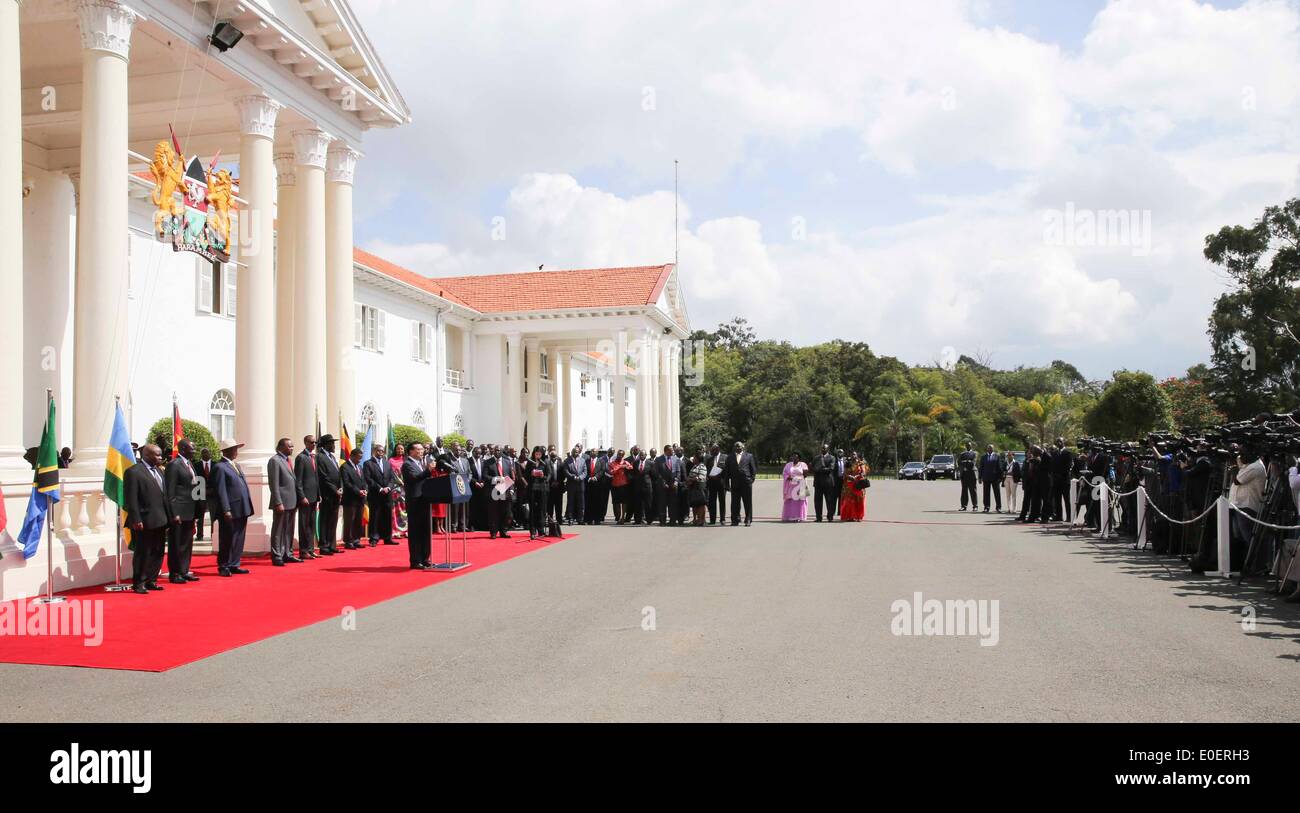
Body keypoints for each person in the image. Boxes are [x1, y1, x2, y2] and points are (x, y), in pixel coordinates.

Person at [123, 443, 169, 594]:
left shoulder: (160, 471)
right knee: (144, 552)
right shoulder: (133, 472)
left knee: (158, 551)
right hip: (143, 521)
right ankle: (139, 583)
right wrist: (136, 519)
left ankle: (151, 580)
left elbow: (164, 496)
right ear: (147, 455)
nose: (161, 457)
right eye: (158, 455)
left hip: (160, 519)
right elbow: (131, 499)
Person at [211, 438, 252, 577]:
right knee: (227, 538)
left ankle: (234, 563)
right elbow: (221, 490)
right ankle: (224, 565)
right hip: (230, 509)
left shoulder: (236, 465)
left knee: (239, 538)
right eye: (234, 449)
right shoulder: (220, 467)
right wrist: (226, 509)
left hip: (241, 507)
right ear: (227, 451)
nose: (236, 452)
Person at [162, 438, 200, 584]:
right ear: (183, 449)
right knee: (176, 544)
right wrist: (174, 513)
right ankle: (175, 573)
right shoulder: (174, 465)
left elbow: (195, 487)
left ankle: (184, 571)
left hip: (190, 510)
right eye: (192, 448)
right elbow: (170, 492)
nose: (194, 451)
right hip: (178, 512)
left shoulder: (189, 464)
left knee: (187, 543)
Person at [267, 437, 301, 566]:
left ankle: (288, 553)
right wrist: (278, 502)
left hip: (292, 501)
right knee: (278, 530)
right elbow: (274, 484)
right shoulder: (275, 461)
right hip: (281, 502)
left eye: (292, 446)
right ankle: (277, 555)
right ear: (281, 447)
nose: (292, 448)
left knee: (289, 530)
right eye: (289, 446)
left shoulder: (287, 460)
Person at [402, 442, 434, 569]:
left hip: (424, 500)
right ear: (411, 451)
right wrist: (428, 470)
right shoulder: (407, 465)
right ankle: (415, 560)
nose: (422, 451)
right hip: (415, 502)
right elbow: (414, 478)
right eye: (419, 449)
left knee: (425, 531)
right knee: (416, 532)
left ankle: (425, 558)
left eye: (422, 449)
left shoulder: (421, 463)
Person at [364, 444, 398, 545]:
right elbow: (368, 479)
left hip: (387, 494)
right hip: (375, 494)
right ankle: (374, 538)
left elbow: (392, 478)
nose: (381, 453)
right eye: (379, 451)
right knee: (375, 516)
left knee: (387, 516)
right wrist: (380, 488)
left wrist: (388, 487)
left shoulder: (387, 463)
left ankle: (387, 538)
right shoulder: (368, 463)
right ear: (374, 451)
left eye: (383, 451)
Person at [316, 434, 343, 556]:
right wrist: (334, 489)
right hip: (327, 494)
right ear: (326, 444)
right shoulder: (320, 457)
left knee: (333, 520)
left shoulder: (332, 457)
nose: (334, 445)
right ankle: (324, 546)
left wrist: (341, 488)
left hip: (336, 494)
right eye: (331, 443)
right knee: (325, 520)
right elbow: (324, 477)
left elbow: (338, 474)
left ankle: (332, 545)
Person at [294, 434, 321, 557]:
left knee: (311, 524)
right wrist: (302, 496)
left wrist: (318, 494)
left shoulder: (313, 457)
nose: (314, 445)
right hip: (305, 497)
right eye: (311, 442)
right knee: (304, 524)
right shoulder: (301, 457)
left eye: (315, 442)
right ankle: (304, 551)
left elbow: (316, 478)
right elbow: (298, 480)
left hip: (314, 496)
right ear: (305, 442)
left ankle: (310, 549)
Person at [522, 446, 553, 540]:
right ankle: (532, 531)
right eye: (536, 454)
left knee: (541, 510)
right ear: (534, 454)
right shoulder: (530, 462)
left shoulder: (545, 462)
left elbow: (549, 474)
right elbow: (525, 475)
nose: (538, 455)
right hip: (532, 488)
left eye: (540, 454)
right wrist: (531, 473)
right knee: (532, 511)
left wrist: (544, 477)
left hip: (542, 488)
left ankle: (541, 530)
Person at [341, 447, 368, 549]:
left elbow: (364, 481)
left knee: (358, 520)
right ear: (352, 456)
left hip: (360, 499)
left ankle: (356, 540)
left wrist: (365, 489)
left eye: (361, 458)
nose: (359, 460)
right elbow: (347, 483)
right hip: (350, 499)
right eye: (358, 457)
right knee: (349, 520)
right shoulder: (345, 467)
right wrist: (358, 491)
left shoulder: (359, 467)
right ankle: (348, 541)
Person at [485, 446, 513, 539]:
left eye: (499, 450)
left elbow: (510, 476)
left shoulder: (507, 462)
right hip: (493, 490)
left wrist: (512, 488)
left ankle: (503, 531)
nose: (497, 452)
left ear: (502, 452)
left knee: (505, 512)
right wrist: (496, 479)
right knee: (493, 512)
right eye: (495, 450)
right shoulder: (488, 462)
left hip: (505, 489)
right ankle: (493, 532)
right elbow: (485, 476)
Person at [727, 441, 757, 526]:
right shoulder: (730, 457)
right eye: (736, 447)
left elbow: (753, 469)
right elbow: (727, 471)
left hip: (746, 483)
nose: (738, 448)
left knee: (747, 502)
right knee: (735, 503)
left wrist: (751, 479)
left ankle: (748, 519)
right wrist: (726, 483)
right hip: (735, 483)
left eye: (739, 446)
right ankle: (735, 520)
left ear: (743, 447)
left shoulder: (749, 456)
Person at [653, 444, 682, 526]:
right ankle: (663, 521)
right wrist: (663, 482)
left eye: (673, 450)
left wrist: (676, 482)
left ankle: (673, 521)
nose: (673, 451)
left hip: (673, 485)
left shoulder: (676, 459)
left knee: (673, 503)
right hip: (663, 485)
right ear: (666, 451)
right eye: (671, 450)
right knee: (662, 503)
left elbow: (678, 472)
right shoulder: (659, 460)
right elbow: (656, 473)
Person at [811, 444, 837, 521]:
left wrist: (819, 469)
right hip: (818, 483)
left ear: (828, 449)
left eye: (824, 448)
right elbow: (812, 468)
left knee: (829, 500)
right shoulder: (816, 458)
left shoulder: (832, 458)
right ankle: (818, 517)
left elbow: (830, 469)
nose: (823, 449)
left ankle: (830, 517)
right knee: (817, 501)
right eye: (822, 448)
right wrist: (816, 469)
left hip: (828, 483)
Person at [839, 453, 869, 521]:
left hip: (858, 484)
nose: (853, 456)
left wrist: (857, 476)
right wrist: (849, 476)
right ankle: (850, 516)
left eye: (854, 454)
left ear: (857, 456)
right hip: (849, 485)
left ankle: (858, 516)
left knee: (859, 500)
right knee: (849, 501)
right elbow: (844, 473)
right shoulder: (847, 463)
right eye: (852, 454)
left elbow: (864, 472)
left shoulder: (861, 463)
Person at [782, 452, 809, 522]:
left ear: (799, 458)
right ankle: (790, 516)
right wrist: (789, 478)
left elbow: (805, 474)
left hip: (801, 484)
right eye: (793, 456)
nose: (794, 458)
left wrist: (798, 479)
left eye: (796, 457)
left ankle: (801, 517)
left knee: (801, 501)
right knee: (791, 501)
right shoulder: (788, 465)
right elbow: (784, 473)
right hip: (791, 485)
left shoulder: (803, 464)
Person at [705, 443, 728, 525]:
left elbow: (726, 470)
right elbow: (707, 470)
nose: (712, 451)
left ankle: (722, 519)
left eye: (713, 450)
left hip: (721, 483)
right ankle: (712, 519)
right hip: (712, 483)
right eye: (712, 450)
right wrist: (710, 476)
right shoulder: (709, 459)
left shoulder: (725, 457)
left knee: (722, 501)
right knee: (712, 502)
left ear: (718, 450)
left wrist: (719, 475)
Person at [563, 446, 586, 525]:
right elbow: (566, 471)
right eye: (574, 451)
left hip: (580, 484)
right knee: (571, 502)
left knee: (581, 503)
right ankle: (570, 518)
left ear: (579, 452)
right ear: (572, 452)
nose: (576, 453)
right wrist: (573, 477)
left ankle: (580, 519)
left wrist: (580, 477)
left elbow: (585, 472)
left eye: (577, 451)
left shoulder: (582, 460)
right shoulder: (567, 461)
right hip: (571, 485)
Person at [194, 447, 213, 541]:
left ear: (210, 454)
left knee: (213, 515)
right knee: (200, 515)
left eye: (207, 452)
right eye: (204, 453)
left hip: (213, 495)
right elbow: (195, 480)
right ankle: (199, 535)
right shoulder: (196, 465)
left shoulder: (216, 465)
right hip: (200, 494)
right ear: (201, 455)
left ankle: (213, 534)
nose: (206, 454)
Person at [390, 443, 408, 539]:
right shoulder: (391, 460)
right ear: (395, 450)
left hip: (406, 489)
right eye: (398, 449)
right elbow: (391, 474)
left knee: (405, 510)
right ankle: (396, 530)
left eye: (402, 449)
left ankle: (405, 530)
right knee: (396, 510)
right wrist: (399, 481)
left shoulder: (407, 460)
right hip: (396, 489)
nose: (400, 450)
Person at [609, 450, 632, 523]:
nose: (620, 456)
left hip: (624, 484)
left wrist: (626, 466)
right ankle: (618, 517)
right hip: (615, 484)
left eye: (622, 455)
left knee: (624, 502)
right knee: (616, 502)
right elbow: (612, 471)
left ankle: (622, 518)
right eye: (619, 454)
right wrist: (620, 466)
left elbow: (631, 467)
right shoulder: (613, 463)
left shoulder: (625, 462)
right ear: (617, 454)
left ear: (623, 455)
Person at [978, 444, 1003, 513]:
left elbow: (999, 467)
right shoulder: (983, 457)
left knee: (997, 493)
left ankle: (998, 507)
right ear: (987, 449)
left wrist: (1000, 478)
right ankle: (986, 507)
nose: (990, 449)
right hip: (986, 477)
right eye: (988, 448)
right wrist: (980, 477)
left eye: (991, 448)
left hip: (995, 478)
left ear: (993, 449)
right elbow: (981, 468)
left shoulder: (997, 456)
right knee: (986, 493)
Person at [687, 452, 709, 526]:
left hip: (700, 487)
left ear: (698, 459)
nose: (693, 459)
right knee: (695, 504)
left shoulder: (702, 466)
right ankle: (695, 519)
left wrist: (691, 479)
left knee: (701, 504)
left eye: (695, 458)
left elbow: (700, 477)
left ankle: (701, 520)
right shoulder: (695, 466)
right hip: (693, 487)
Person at [958, 441, 978, 511]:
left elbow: (973, 463)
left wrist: (966, 464)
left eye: (969, 445)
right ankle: (963, 506)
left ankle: (975, 506)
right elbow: (959, 462)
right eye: (967, 445)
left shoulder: (974, 453)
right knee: (964, 491)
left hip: (972, 474)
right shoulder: (962, 454)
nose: (968, 446)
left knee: (973, 491)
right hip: (964, 474)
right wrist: (966, 464)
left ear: (971, 446)